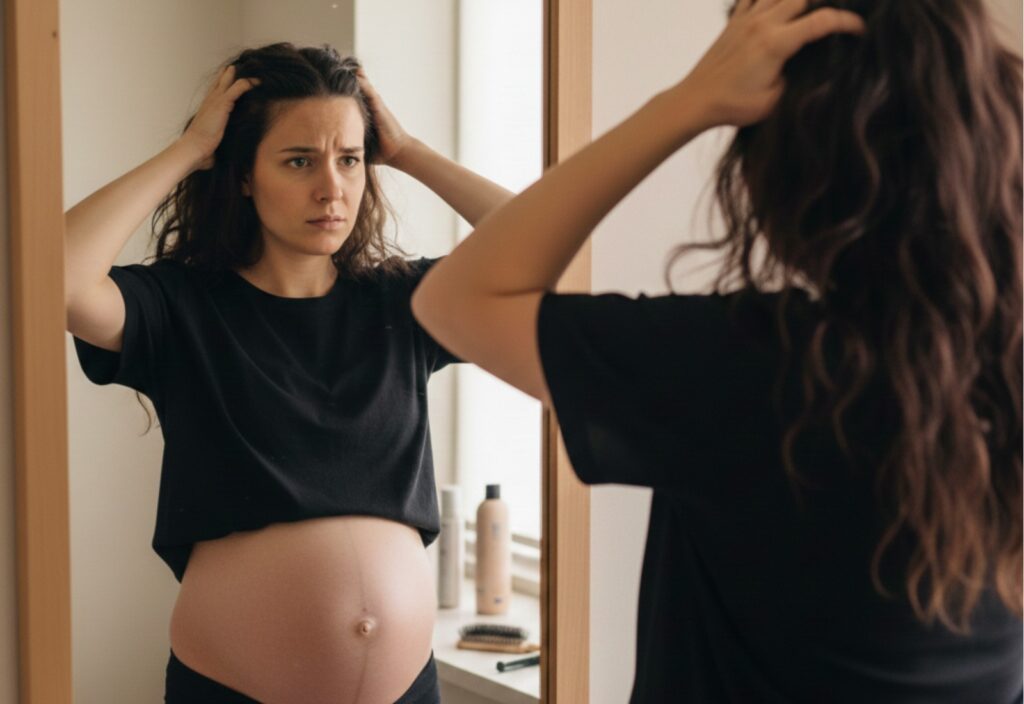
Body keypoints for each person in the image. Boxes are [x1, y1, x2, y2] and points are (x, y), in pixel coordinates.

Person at [411, 0, 1023, 701]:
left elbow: (454, 300)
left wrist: (688, 102)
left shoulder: (759, 366)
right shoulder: (1004, 361)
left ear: (784, 163)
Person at [65, 42, 513, 703]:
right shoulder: (179, 306)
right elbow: (55, 278)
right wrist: (191, 150)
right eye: (300, 161)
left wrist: (410, 150)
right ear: (244, 174)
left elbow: (548, 251)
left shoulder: (406, 301)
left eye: (350, 160)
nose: (332, 188)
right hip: (233, 687)